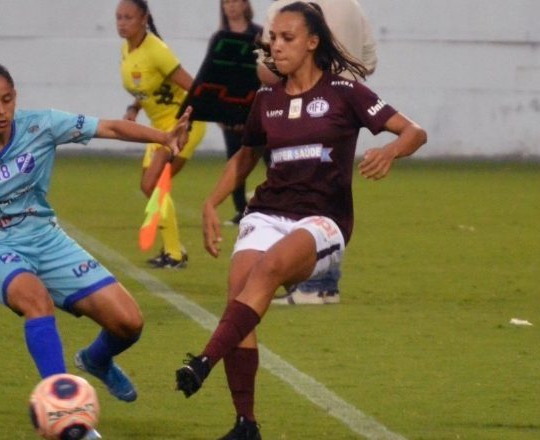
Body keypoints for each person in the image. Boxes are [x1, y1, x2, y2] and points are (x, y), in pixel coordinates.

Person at [173, 3, 426, 438]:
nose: (276, 45)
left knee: (268, 268)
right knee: (240, 292)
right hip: (269, 211)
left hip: (323, 220)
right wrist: (211, 203)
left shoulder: (346, 93)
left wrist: (388, 151)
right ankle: (245, 424)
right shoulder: (267, 100)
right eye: (274, 37)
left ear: (313, 43)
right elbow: (247, 155)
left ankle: (203, 361)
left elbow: (413, 131)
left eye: (287, 38)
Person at [0, 62, 190, 439]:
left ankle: (96, 359)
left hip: (46, 239)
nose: (1, 110)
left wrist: (164, 137)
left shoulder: (42, 125)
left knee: (129, 323)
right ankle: (66, 415)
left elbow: (111, 127)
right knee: (36, 299)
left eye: (7, 100)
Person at [257, 0, 378, 305]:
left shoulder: (284, 11)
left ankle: (307, 282)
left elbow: (266, 69)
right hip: (345, 112)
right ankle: (326, 283)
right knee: (332, 192)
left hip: (306, 105)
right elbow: (369, 62)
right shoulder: (354, 7)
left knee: (300, 191)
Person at [116, 0, 208, 268]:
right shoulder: (127, 49)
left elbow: (194, 87)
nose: (122, 23)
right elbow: (145, 89)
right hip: (158, 129)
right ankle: (174, 251)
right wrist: (133, 108)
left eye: (128, 17)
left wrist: (185, 126)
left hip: (179, 125)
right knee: (151, 186)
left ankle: (175, 253)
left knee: (153, 184)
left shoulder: (156, 50)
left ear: (143, 18)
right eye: (119, 17)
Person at [214, 0, 264, 225]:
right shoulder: (220, 37)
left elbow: (266, 72)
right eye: (226, 2)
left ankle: (279, 203)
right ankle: (240, 209)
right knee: (235, 159)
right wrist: (219, 112)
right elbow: (213, 74)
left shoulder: (259, 34)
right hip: (229, 109)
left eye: (235, 1)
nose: (231, 6)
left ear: (245, 5)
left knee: (271, 158)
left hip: (256, 106)